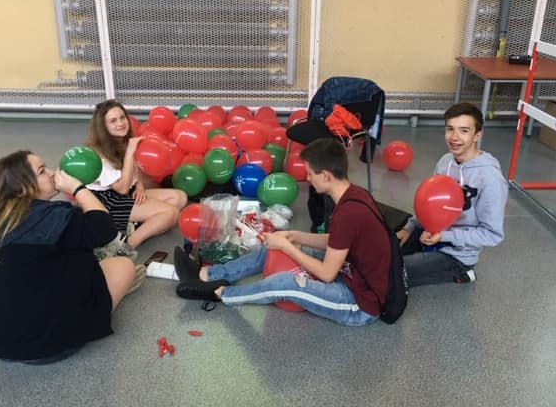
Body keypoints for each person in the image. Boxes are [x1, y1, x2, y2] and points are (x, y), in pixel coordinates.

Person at [173, 138, 391, 326]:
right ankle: (208, 275)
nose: (307, 178)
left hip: (359, 304)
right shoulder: (354, 195)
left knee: (285, 283)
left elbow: (327, 274)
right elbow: (336, 241)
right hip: (350, 272)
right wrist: (295, 236)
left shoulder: (348, 213)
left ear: (325, 175)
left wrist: (288, 246)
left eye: (310, 173)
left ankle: (222, 294)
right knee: (273, 248)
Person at [0, 151, 136, 364]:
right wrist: (78, 189)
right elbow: (104, 229)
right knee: (123, 266)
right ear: (24, 188)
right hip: (49, 346)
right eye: (42, 171)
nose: (52, 172)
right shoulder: (52, 217)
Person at [396, 102, 508, 287]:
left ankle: (463, 272)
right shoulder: (445, 161)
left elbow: (492, 234)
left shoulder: (490, 179)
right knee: (383, 252)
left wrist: (445, 236)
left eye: (464, 131)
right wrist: (409, 228)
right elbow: (429, 203)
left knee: (392, 272)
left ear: (477, 134)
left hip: (456, 254)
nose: (454, 137)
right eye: (450, 129)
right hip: (431, 233)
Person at [86, 99, 187, 258]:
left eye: (122, 117)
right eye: (113, 121)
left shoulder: (123, 140)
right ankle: (125, 246)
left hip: (128, 190)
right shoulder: (99, 155)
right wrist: (130, 152)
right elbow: (122, 189)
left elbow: (136, 168)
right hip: (109, 201)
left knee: (179, 197)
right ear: (103, 127)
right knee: (171, 213)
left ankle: (133, 225)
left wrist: (140, 187)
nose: (120, 123)